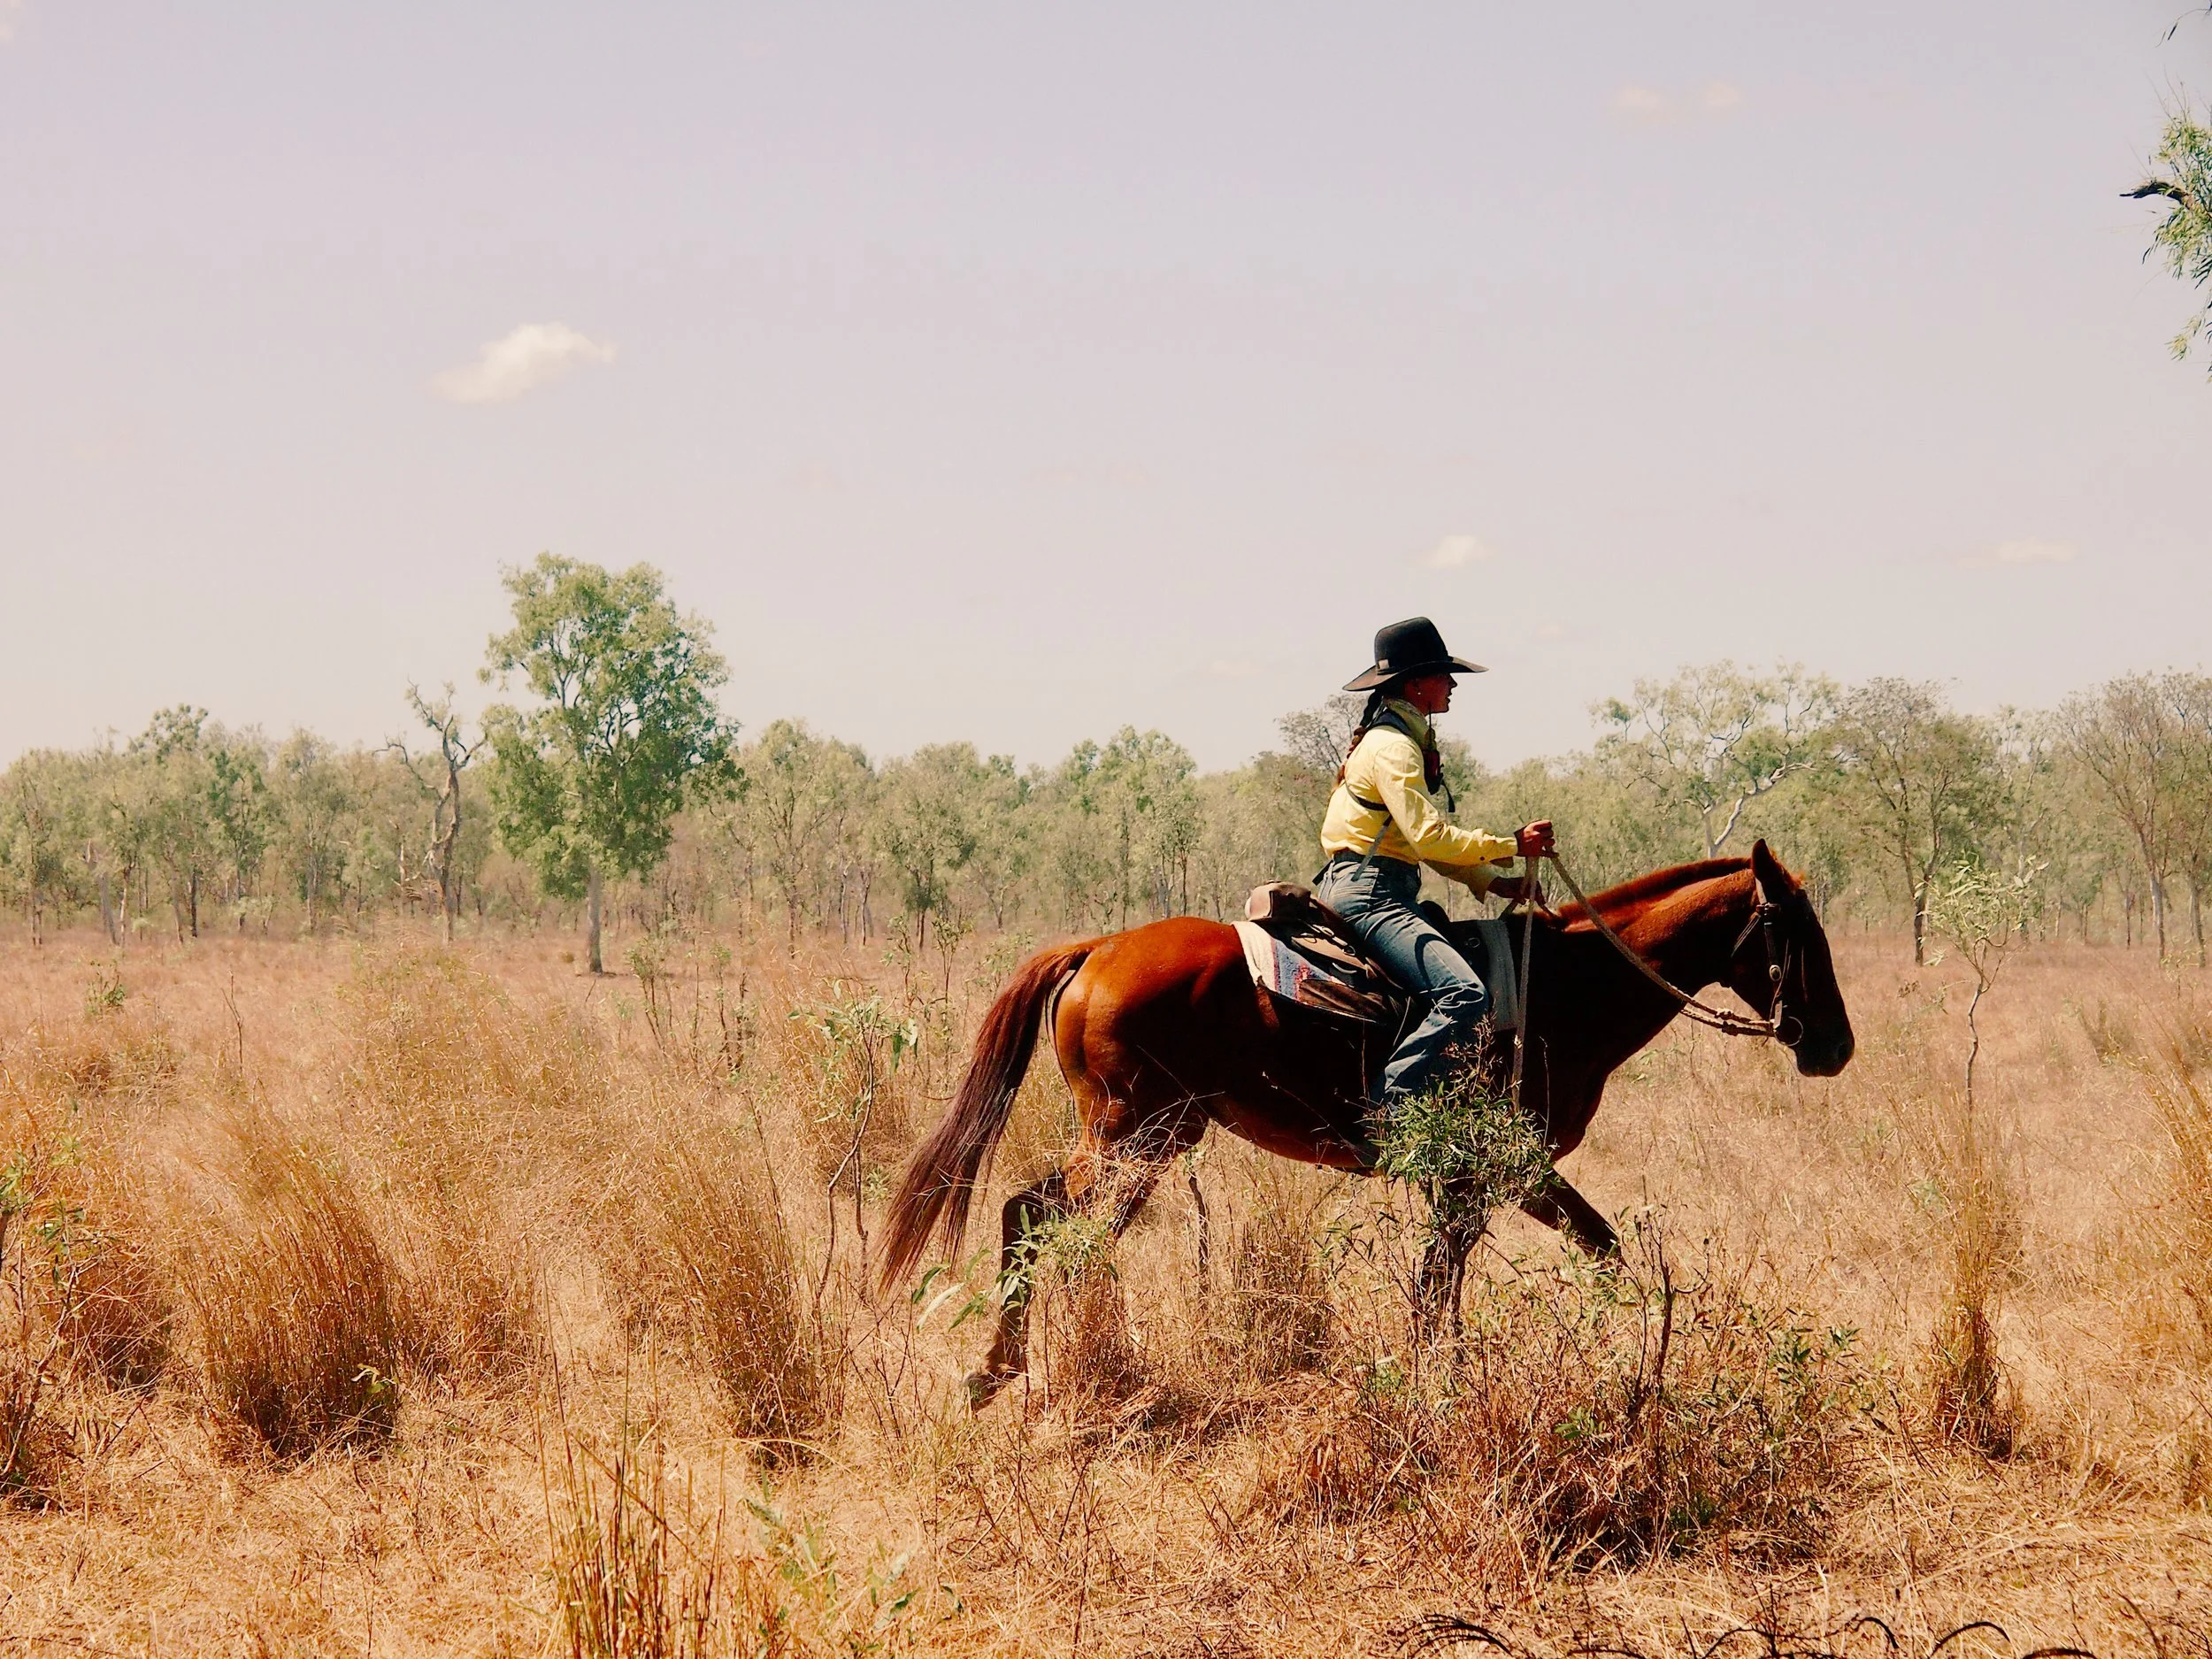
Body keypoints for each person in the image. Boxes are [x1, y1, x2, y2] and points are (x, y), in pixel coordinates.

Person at [1313, 617, 1554, 1110]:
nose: (1453, 684)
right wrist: (1511, 844)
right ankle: (1390, 1108)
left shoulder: (1396, 741)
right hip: (1372, 895)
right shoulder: (1395, 748)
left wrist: (1496, 883)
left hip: (1372, 885)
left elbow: (1417, 842)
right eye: (1444, 675)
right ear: (1416, 683)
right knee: (1465, 995)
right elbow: (1430, 839)